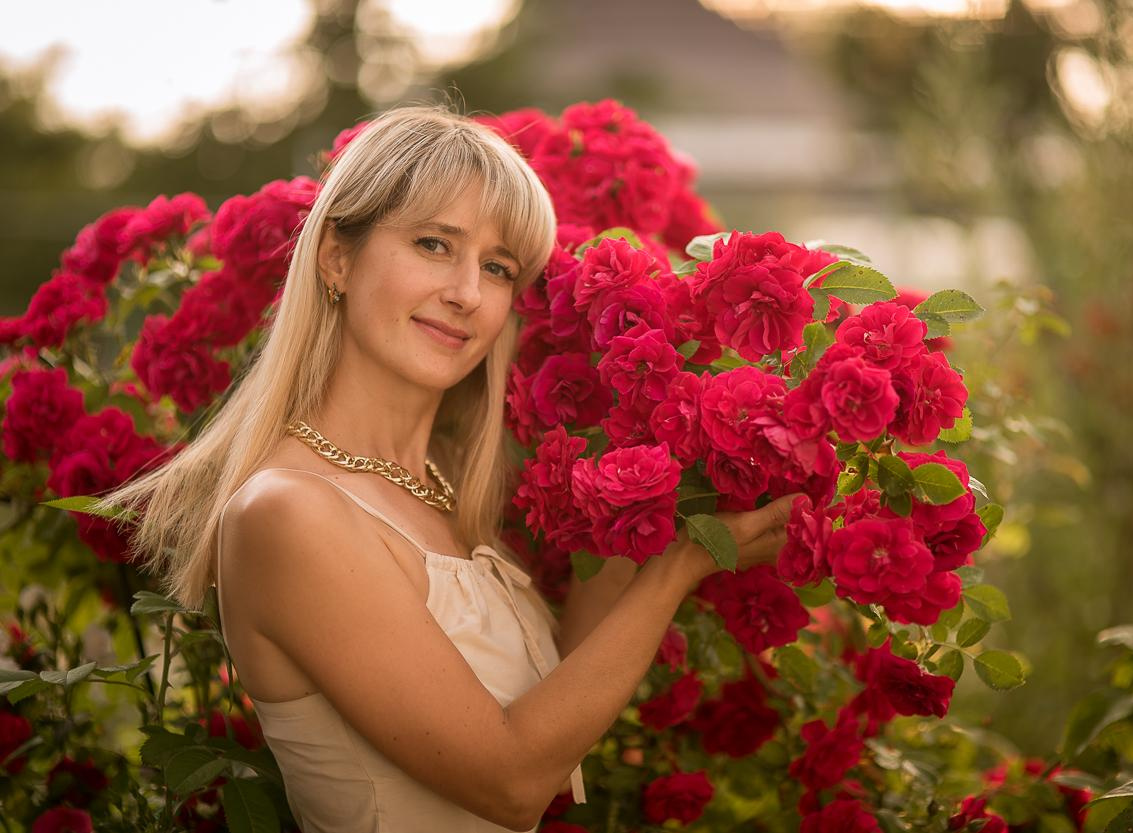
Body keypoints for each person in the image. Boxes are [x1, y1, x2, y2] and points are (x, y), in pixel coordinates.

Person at [100, 103, 800, 833]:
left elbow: (550, 710)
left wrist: (654, 494)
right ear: (336, 257)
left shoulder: (441, 492)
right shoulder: (290, 510)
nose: (467, 293)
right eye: (434, 244)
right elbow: (513, 782)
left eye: (497, 268)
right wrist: (682, 567)